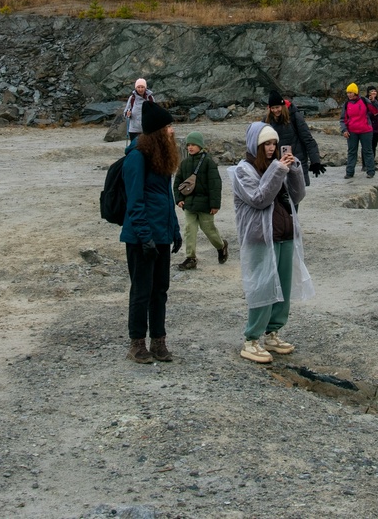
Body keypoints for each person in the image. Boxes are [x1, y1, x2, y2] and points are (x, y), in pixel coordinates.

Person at [230, 121, 314, 364]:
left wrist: (294, 169)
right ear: (255, 145)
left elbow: (297, 196)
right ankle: (251, 339)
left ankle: (272, 333)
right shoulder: (243, 170)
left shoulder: (277, 165)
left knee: (282, 288)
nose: (271, 147)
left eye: (274, 143)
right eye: (266, 143)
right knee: (263, 287)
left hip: (284, 234)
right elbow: (259, 199)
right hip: (260, 238)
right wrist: (278, 169)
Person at [119, 100, 183, 363]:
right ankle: (136, 344)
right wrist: (145, 236)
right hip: (141, 238)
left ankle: (158, 341)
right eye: (168, 126)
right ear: (157, 131)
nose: (172, 130)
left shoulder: (161, 157)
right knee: (142, 291)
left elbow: (166, 199)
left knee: (160, 290)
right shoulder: (136, 158)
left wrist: (174, 231)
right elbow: (135, 202)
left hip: (161, 236)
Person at [173, 131, 227, 270]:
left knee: (209, 230)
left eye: (193, 144)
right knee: (189, 229)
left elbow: (215, 185)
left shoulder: (208, 162)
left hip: (205, 205)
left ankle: (221, 246)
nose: (190, 147)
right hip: (189, 204)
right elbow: (177, 182)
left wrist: (215, 205)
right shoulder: (184, 163)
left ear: (200, 146)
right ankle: (190, 258)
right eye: (188, 145)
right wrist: (179, 199)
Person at [265, 91, 326, 187]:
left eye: (277, 107)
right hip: (278, 163)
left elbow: (308, 139)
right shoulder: (267, 120)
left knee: (296, 195)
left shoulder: (294, 116)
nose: (275, 110)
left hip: (296, 161)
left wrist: (315, 161)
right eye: (273, 108)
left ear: (282, 106)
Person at [339, 82, 378, 179]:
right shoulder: (346, 104)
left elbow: (375, 111)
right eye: (348, 93)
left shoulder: (364, 101)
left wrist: (374, 101)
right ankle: (349, 172)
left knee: (368, 151)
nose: (349, 95)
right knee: (352, 152)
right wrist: (344, 130)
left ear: (356, 93)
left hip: (366, 131)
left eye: (351, 93)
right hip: (352, 132)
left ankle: (370, 172)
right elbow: (343, 119)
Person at [122, 78, 154, 143]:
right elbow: (125, 112)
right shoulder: (132, 98)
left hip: (147, 130)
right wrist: (128, 114)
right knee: (135, 149)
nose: (140, 89)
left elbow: (155, 113)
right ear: (136, 88)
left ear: (145, 88)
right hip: (134, 130)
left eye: (142, 87)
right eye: (138, 87)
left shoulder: (150, 98)